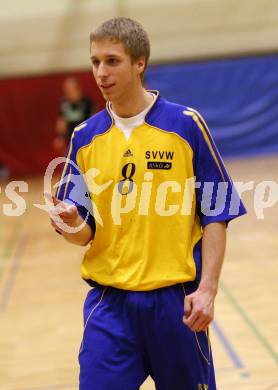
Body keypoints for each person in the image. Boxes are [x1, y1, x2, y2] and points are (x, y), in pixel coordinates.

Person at [48, 17, 246, 390]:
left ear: (139, 63)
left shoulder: (185, 125)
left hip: (176, 305)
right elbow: (85, 232)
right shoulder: (84, 137)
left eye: (112, 61)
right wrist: (71, 222)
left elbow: (217, 213)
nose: (101, 73)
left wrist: (207, 290)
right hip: (110, 305)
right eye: (95, 62)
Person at [53, 77, 93, 151]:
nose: (69, 94)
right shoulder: (64, 103)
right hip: (71, 140)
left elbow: (94, 121)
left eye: (71, 91)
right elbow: (61, 122)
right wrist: (60, 137)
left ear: (78, 90)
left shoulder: (86, 102)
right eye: (67, 92)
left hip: (86, 140)